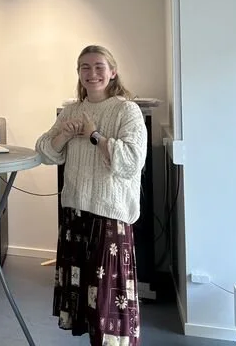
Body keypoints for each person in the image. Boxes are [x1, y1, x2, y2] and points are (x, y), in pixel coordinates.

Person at [35, 44, 148, 346]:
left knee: (110, 305)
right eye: (85, 67)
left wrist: (95, 136)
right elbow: (45, 151)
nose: (92, 73)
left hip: (109, 216)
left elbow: (132, 161)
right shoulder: (72, 110)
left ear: (112, 72)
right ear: (79, 73)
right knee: (84, 298)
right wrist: (65, 135)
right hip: (76, 213)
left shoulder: (127, 110)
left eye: (99, 66)